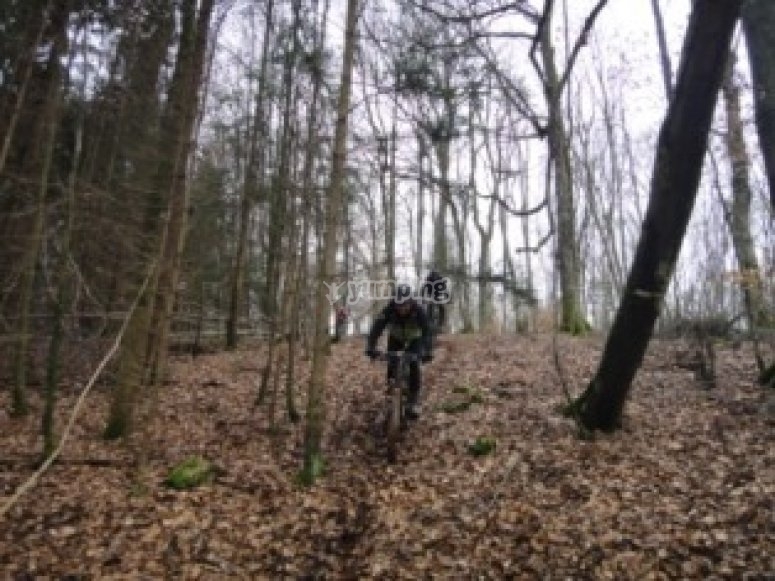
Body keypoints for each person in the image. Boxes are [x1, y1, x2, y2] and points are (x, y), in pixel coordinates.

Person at [365, 283, 433, 419]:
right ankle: (390, 393)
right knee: (392, 364)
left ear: (411, 302)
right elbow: (376, 328)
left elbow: (427, 332)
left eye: (405, 305)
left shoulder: (419, 310)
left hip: (414, 338)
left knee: (414, 365)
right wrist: (371, 347)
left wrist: (427, 351)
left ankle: (413, 401)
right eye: (399, 305)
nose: (402, 308)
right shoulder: (389, 309)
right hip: (396, 338)